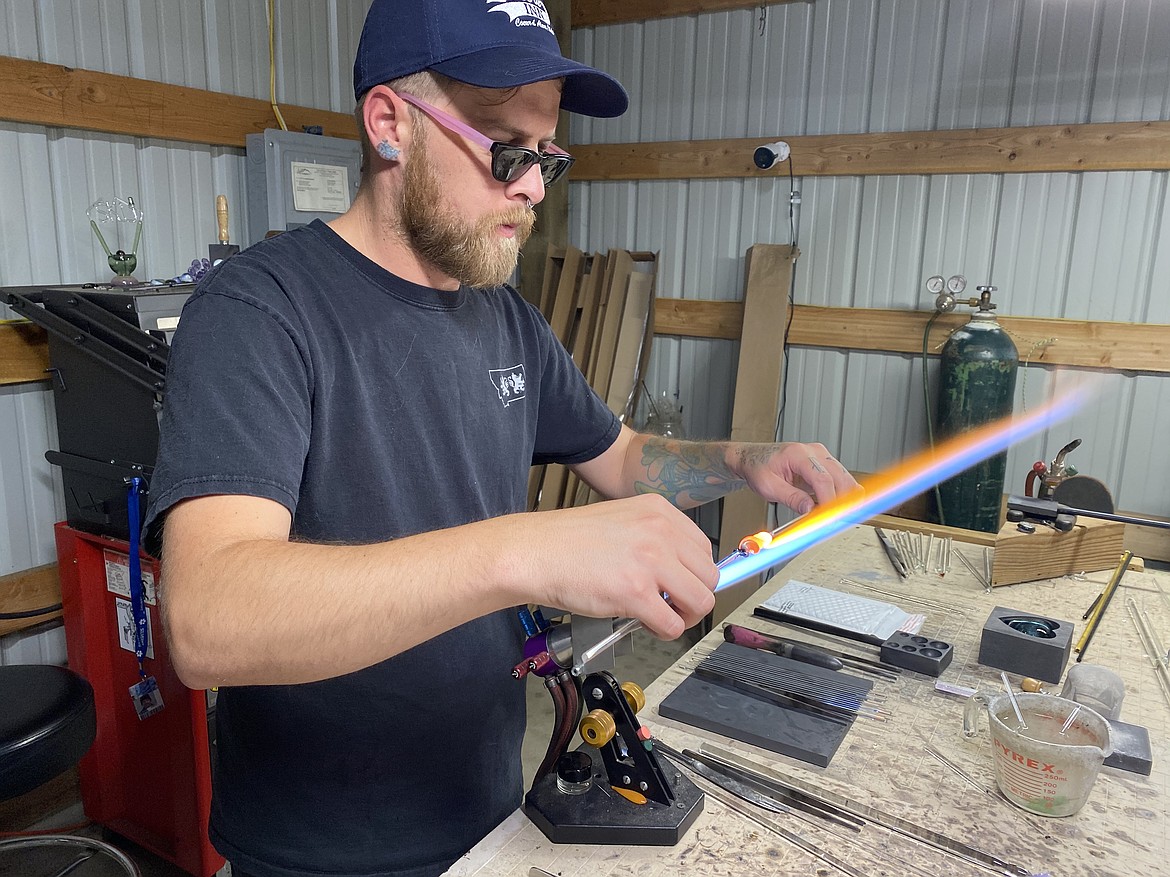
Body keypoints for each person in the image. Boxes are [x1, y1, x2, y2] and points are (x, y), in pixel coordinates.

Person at [143, 1, 859, 875]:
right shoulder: (261, 314)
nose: (529, 187)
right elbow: (211, 619)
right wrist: (523, 550)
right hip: (325, 850)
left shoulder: (504, 323)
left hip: (491, 813)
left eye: (547, 158)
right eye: (505, 149)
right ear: (390, 123)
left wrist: (745, 458)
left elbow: (627, 459)